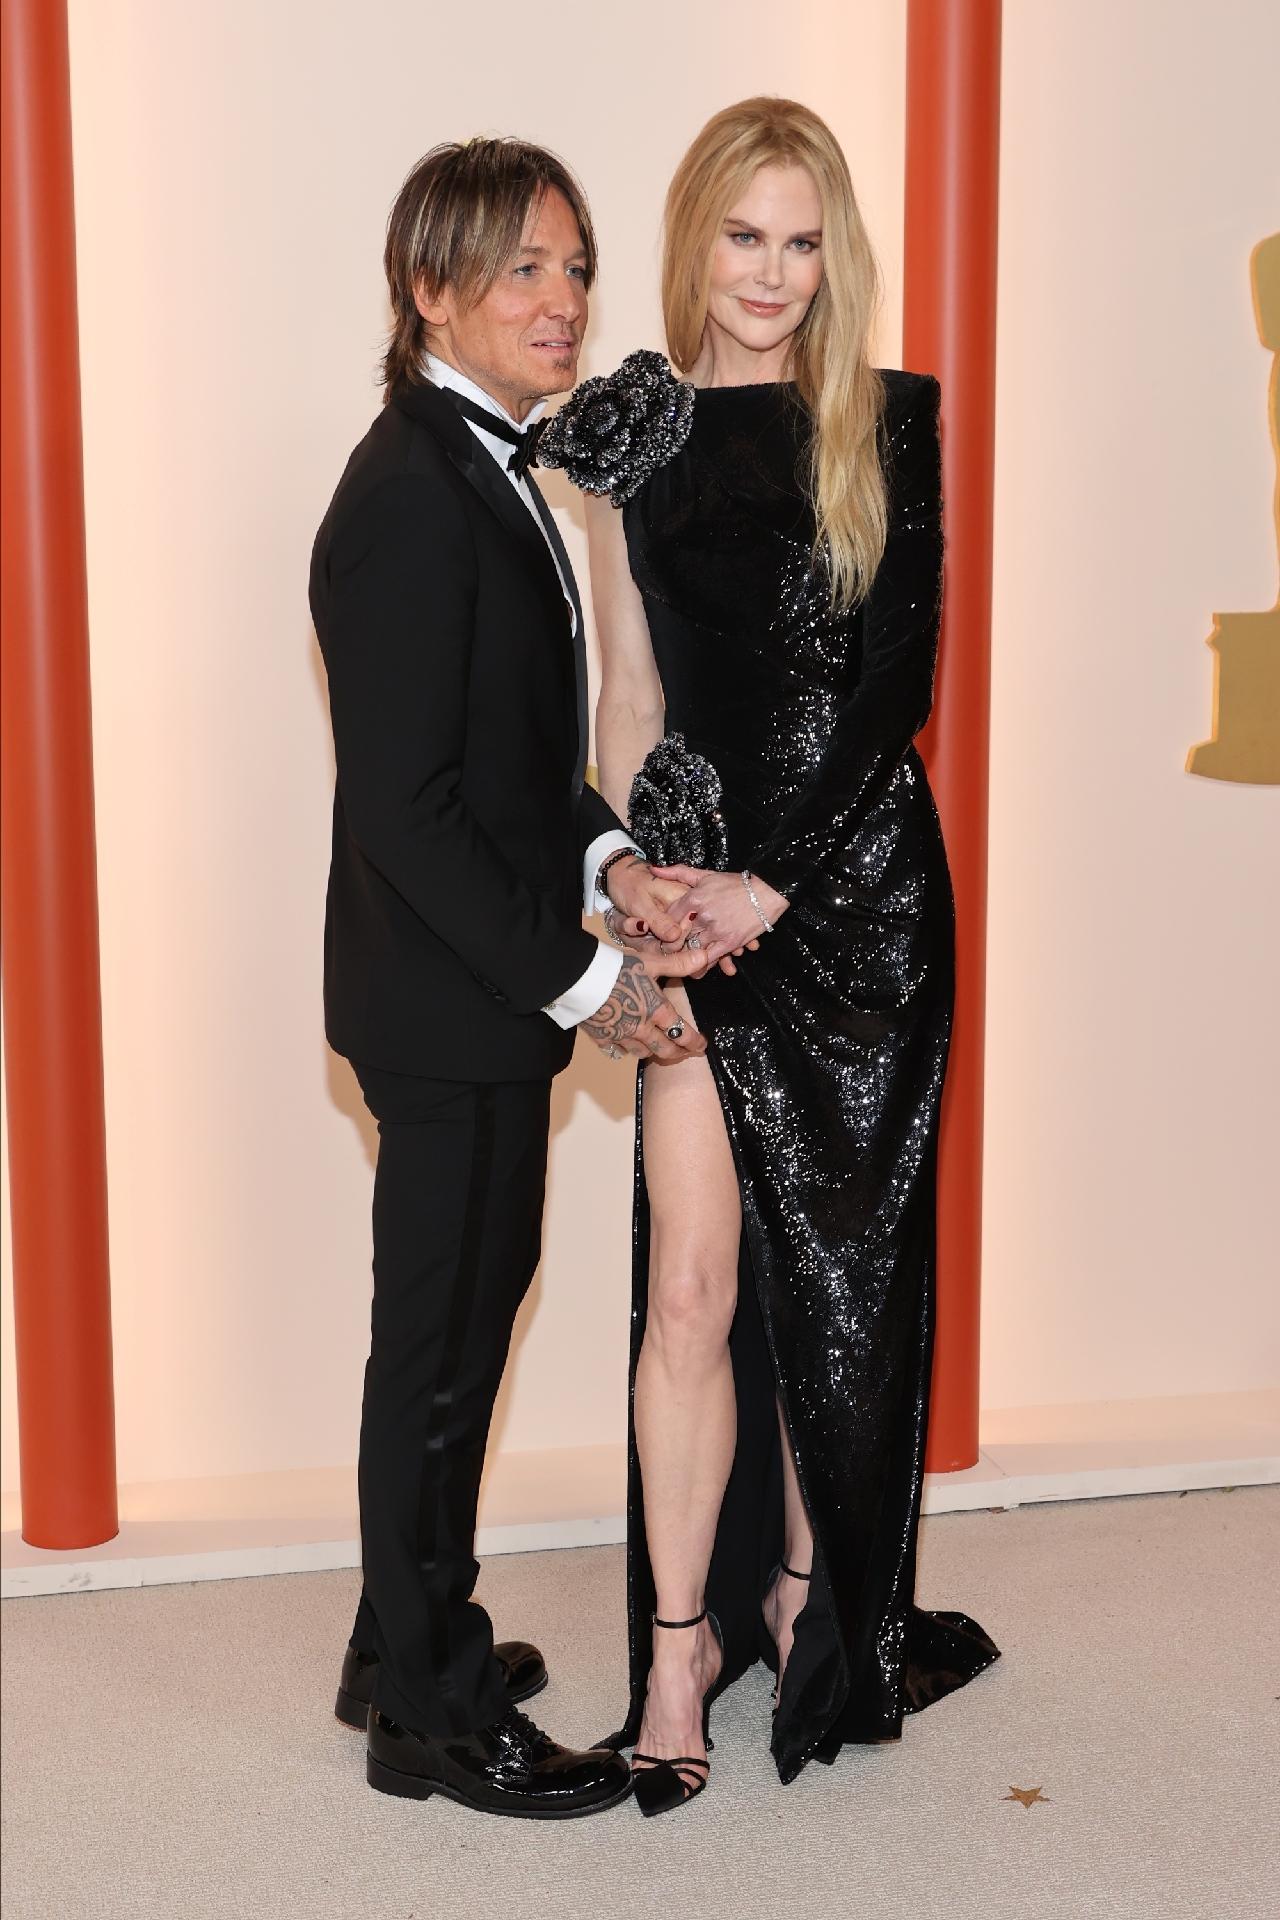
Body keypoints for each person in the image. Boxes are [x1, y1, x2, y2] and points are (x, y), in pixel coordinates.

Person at [539, 97, 1000, 1816]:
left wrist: (773, 891)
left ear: (838, 256)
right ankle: (676, 1645)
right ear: (696, 238)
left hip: (860, 908)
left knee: (844, 1285)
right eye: (747, 237)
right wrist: (639, 886)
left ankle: (816, 1604)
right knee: (692, 1290)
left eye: (806, 243)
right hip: (705, 906)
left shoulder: (890, 421)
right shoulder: (631, 438)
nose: (775, 274)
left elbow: (894, 699)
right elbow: (638, 697)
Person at [310, 136, 710, 1820]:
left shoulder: (496, 474)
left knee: (463, 1326)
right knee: (442, 1354)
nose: (564, 301)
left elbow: (511, 765)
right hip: (446, 1007)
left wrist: (612, 864)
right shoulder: (409, 495)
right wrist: (584, 984)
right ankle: (427, 1709)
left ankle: (394, 1637)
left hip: (475, 999)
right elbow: (402, 809)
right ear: (431, 290)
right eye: (525, 269)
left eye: (574, 264)